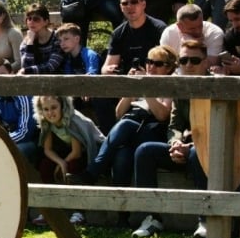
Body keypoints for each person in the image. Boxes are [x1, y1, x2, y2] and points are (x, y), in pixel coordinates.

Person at [69, 45, 178, 192]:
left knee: (125, 125)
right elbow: (119, 113)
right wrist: (132, 86)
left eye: (157, 64)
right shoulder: (141, 81)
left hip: (152, 132)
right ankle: (122, 213)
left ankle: (92, 172)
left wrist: (145, 88)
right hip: (130, 132)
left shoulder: (170, 85)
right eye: (149, 62)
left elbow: (162, 115)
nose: (151, 67)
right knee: (122, 155)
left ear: (168, 68)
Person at [132, 40, 210, 238]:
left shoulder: (218, 86)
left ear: (206, 62)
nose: (189, 65)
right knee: (145, 150)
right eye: (184, 60)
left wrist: (190, 145)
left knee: (195, 153)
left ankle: (206, 220)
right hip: (185, 148)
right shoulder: (180, 88)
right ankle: (152, 217)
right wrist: (175, 143)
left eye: (194, 60)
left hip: (212, 151)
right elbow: (174, 126)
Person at [95, 0, 167, 132]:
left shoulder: (160, 29)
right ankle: (108, 135)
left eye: (134, 2)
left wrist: (146, 77)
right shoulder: (118, 33)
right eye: (125, 3)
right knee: (98, 97)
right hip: (127, 84)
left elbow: (168, 65)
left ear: (143, 4)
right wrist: (108, 70)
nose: (129, 6)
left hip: (155, 83)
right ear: (120, 7)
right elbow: (106, 67)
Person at [32, 94, 105, 226]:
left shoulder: (72, 120)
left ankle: (79, 212)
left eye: (54, 107)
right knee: (45, 165)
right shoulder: (46, 121)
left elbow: (76, 152)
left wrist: (63, 165)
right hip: (67, 151)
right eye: (46, 109)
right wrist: (60, 163)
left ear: (63, 106)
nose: (50, 113)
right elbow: (47, 149)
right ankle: (50, 210)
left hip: (86, 152)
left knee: (73, 167)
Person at [0, 58, 39, 165]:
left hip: (28, 141)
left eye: (2, 76)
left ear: (12, 74)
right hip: (4, 140)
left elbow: (25, 132)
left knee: (9, 153)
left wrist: (1, 141)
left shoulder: (23, 96)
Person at [159, 3, 224, 69]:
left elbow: (211, 64)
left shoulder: (214, 33)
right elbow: (163, 64)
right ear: (179, 26)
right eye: (192, 29)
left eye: (200, 26)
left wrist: (197, 47)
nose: (198, 31)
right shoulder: (169, 33)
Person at [17, 3, 63, 75]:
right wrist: (30, 43)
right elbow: (26, 67)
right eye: (29, 19)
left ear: (46, 21)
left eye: (36, 19)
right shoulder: (25, 43)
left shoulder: (57, 38)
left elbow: (50, 67)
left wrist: (27, 71)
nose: (31, 22)